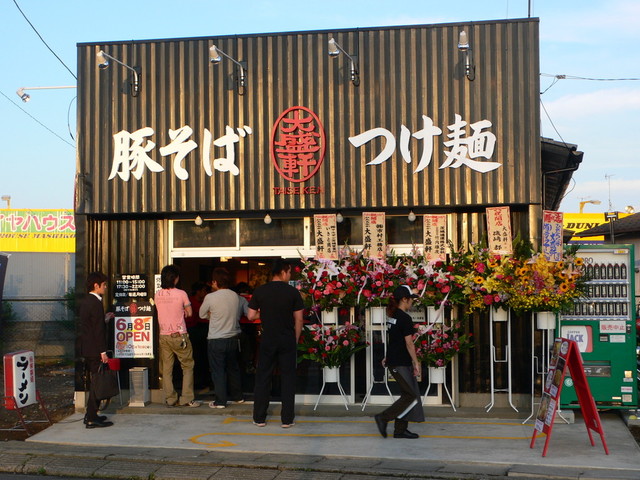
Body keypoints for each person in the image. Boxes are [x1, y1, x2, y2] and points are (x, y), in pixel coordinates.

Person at [248, 259, 304, 428]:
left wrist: (264, 315)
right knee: (288, 378)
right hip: (286, 338)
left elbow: (251, 316)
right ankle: (287, 419)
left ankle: (259, 418)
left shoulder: (260, 291)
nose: (289, 275)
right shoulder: (293, 292)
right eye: (289, 272)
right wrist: (294, 338)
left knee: (263, 377)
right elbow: (299, 319)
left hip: (268, 339)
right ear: (283, 271)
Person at [374, 285, 424, 439]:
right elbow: (409, 343)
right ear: (404, 299)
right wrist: (416, 362)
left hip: (396, 360)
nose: (412, 303)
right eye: (411, 299)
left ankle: (400, 430)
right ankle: (383, 417)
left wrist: (387, 356)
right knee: (410, 395)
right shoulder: (404, 318)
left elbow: (393, 340)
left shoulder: (393, 315)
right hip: (400, 362)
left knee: (407, 394)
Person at [154, 264, 201, 408]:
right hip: (179, 335)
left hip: (164, 335)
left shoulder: (158, 295)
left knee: (167, 369)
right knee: (187, 365)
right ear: (175, 278)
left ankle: (170, 398)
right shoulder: (181, 294)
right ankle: (186, 398)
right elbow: (190, 313)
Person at [199, 267, 245, 408]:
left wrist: (211, 316)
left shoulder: (210, 297)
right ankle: (238, 397)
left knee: (218, 371)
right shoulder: (236, 296)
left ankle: (220, 401)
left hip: (216, 339)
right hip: (233, 338)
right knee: (233, 369)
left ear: (215, 282)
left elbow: (201, 314)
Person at [79, 271, 115, 429]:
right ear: (96, 285)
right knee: (97, 384)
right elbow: (98, 331)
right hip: (95, 350)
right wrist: (103, 352)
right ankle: (92, 417)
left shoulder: (86, 301)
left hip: (87, 348)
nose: (105, 287)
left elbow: (92, 325)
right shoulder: (95, 302)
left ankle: (90, 414)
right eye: (104, 285)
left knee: (95, 383)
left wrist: (104, 319)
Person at [186, 281, 211, 391]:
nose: (206, 293)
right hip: (193, 331)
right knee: (197, 357)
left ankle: (204, 381)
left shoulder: (203, 302)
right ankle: (198, 382)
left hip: (202, 330)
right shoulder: (190, 302)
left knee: (204, 357)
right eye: (204, 291)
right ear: (198, 291)